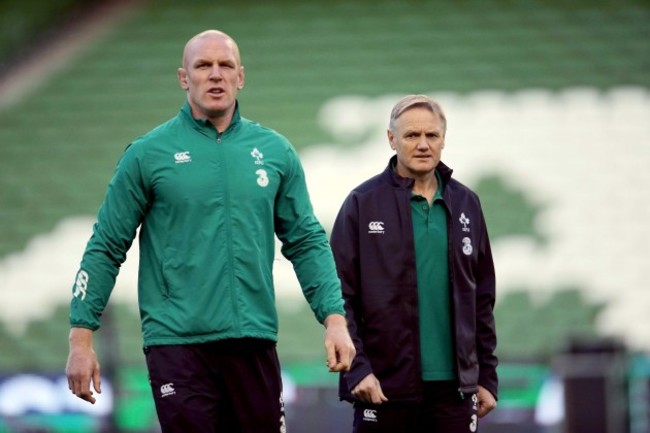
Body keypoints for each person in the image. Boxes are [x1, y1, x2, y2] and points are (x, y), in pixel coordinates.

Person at [65, 29, 355, 432]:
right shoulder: (148, 154)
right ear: (184, 77)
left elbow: (306, 241)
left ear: (241, 76)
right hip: (177, 344)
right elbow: (106, 245)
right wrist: (81, 339)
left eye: (226, 66)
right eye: (203, 66)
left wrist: (334, 319)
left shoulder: (275, 151)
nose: (215, 75)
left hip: (252, 340)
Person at [330, 95, 498, 433]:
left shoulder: (467, 202)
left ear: (443, 140)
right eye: (411, 135)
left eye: (432, 135)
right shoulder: (362, 203)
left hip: (455, 391)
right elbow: (338, 296)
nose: (423, 144)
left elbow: (482, 298)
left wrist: (486, 376)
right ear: (391, 139)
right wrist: (358, 369)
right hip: (382, 388)